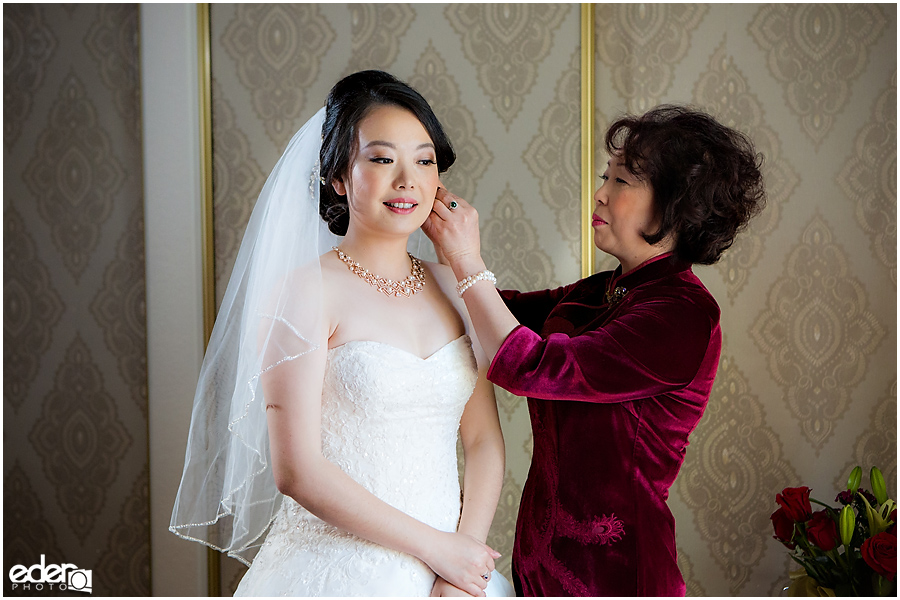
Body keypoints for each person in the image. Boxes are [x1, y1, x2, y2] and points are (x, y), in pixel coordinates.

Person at [170, 70, 514, 597]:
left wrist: (461, 563)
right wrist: (434, 548)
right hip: (335, 571)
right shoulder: (305, 292)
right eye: (381, 159)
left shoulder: (454, 284)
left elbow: (484, 440)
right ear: (338, 177)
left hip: (454, 576)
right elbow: (298, 471)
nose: (407, 180)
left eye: (424, 160)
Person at [423, 105, 766, 596]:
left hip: (618, 575)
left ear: (675, 206)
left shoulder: (683, 315)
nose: (600, 193)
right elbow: (501, 313)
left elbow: (527, 364)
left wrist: (465, 260)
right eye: (607, 176)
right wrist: (424, 263)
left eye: (622, 181)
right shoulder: (606, 289)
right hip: (541, 567)